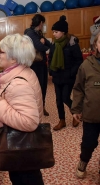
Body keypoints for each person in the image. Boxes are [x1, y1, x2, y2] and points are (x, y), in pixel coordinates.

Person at [0, 34, 44, 185]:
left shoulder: (18, 83)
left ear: (14, 58)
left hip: (19, 147)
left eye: (2, 51)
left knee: (24, 180)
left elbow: (30, 121)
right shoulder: (23, 71)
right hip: (23, 147)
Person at [72, 32, 100, 179]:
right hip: (91, 114)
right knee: (89, 142)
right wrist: (76, 108)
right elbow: (78, 88)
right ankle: (83, 161)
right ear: (96, 45)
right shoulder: (87, 65)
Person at [48, 15, 83, 131]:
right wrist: (51, 71)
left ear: (63, 32)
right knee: (58, 100)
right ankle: (62, 120)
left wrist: (71, 73)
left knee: (65, 98)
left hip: (68, 77)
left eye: (56, 32)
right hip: (57, 76)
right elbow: (50, 59)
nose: (54, 34)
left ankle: (75, 114)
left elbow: (79, 60)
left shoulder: (72, 44)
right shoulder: (54, 45)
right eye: (53, 32)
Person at [24, 14, 51, 116]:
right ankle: (35, 108)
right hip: (34, 65)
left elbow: (48, 43)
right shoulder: (30, 33)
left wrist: (44, 42)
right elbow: (41, 46)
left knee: (43, 86)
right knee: (35, 87)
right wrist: (43, 43)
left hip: (42, 63)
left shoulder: (38, 32)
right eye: (43, 23)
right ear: (40, 23)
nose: (43, 25)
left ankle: (42, 106)